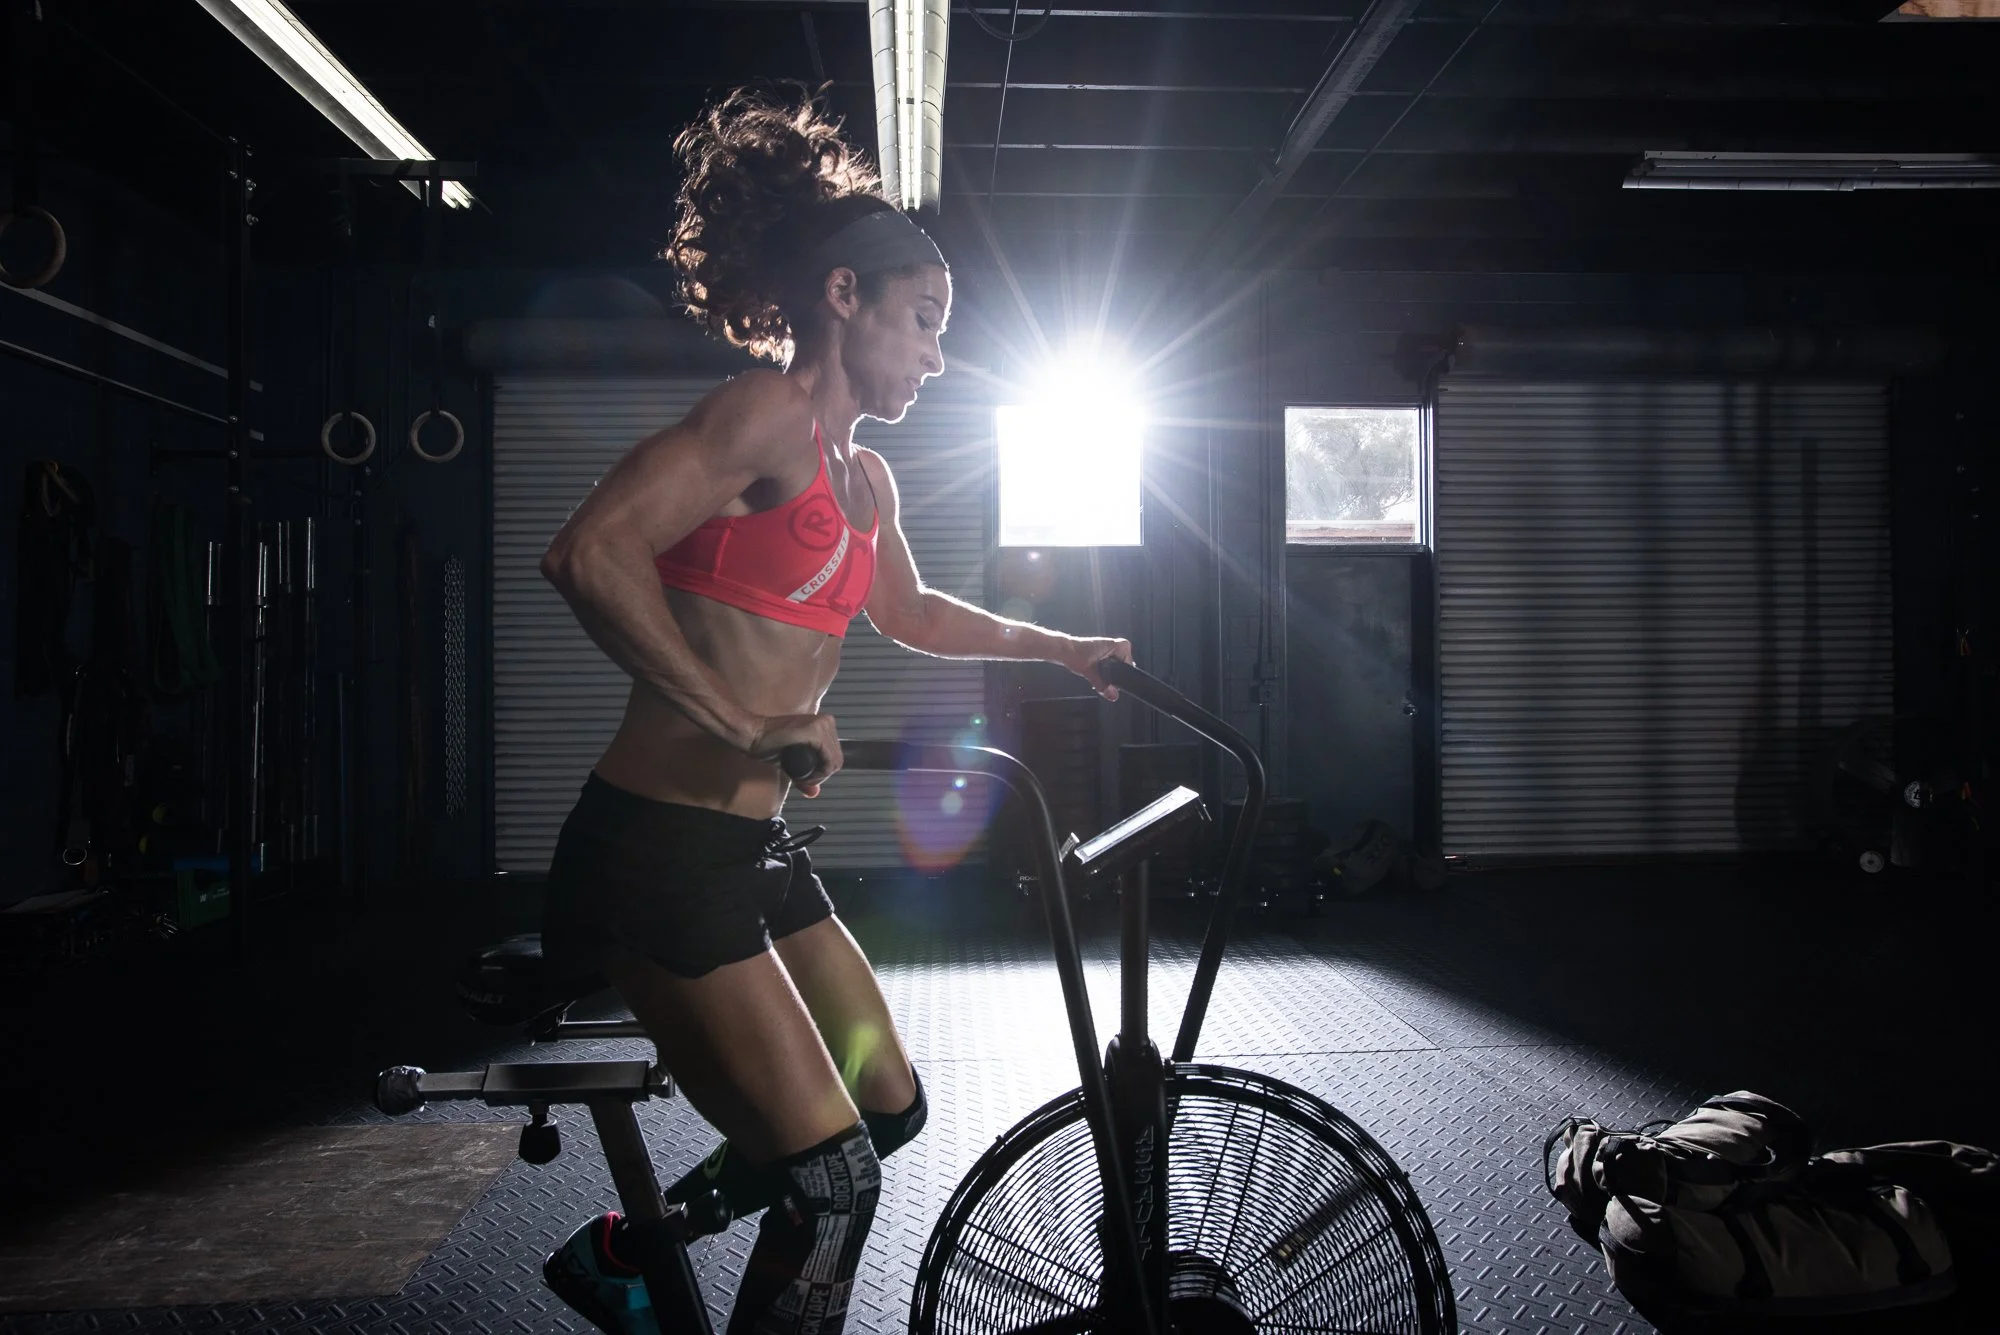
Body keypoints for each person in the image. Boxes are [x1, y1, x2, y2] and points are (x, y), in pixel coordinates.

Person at [534, 86, 1133, 1335]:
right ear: (843, 296)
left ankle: (626, 1252)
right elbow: (588, 552)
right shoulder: (765, 414)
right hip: (655, 855)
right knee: (833, 1182)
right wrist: (742, 723)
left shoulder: (863, 478)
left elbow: (912, 614)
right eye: (923, 321)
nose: (935, 354)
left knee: (886, 1108)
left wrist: (1062, 646)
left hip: (745, 850)